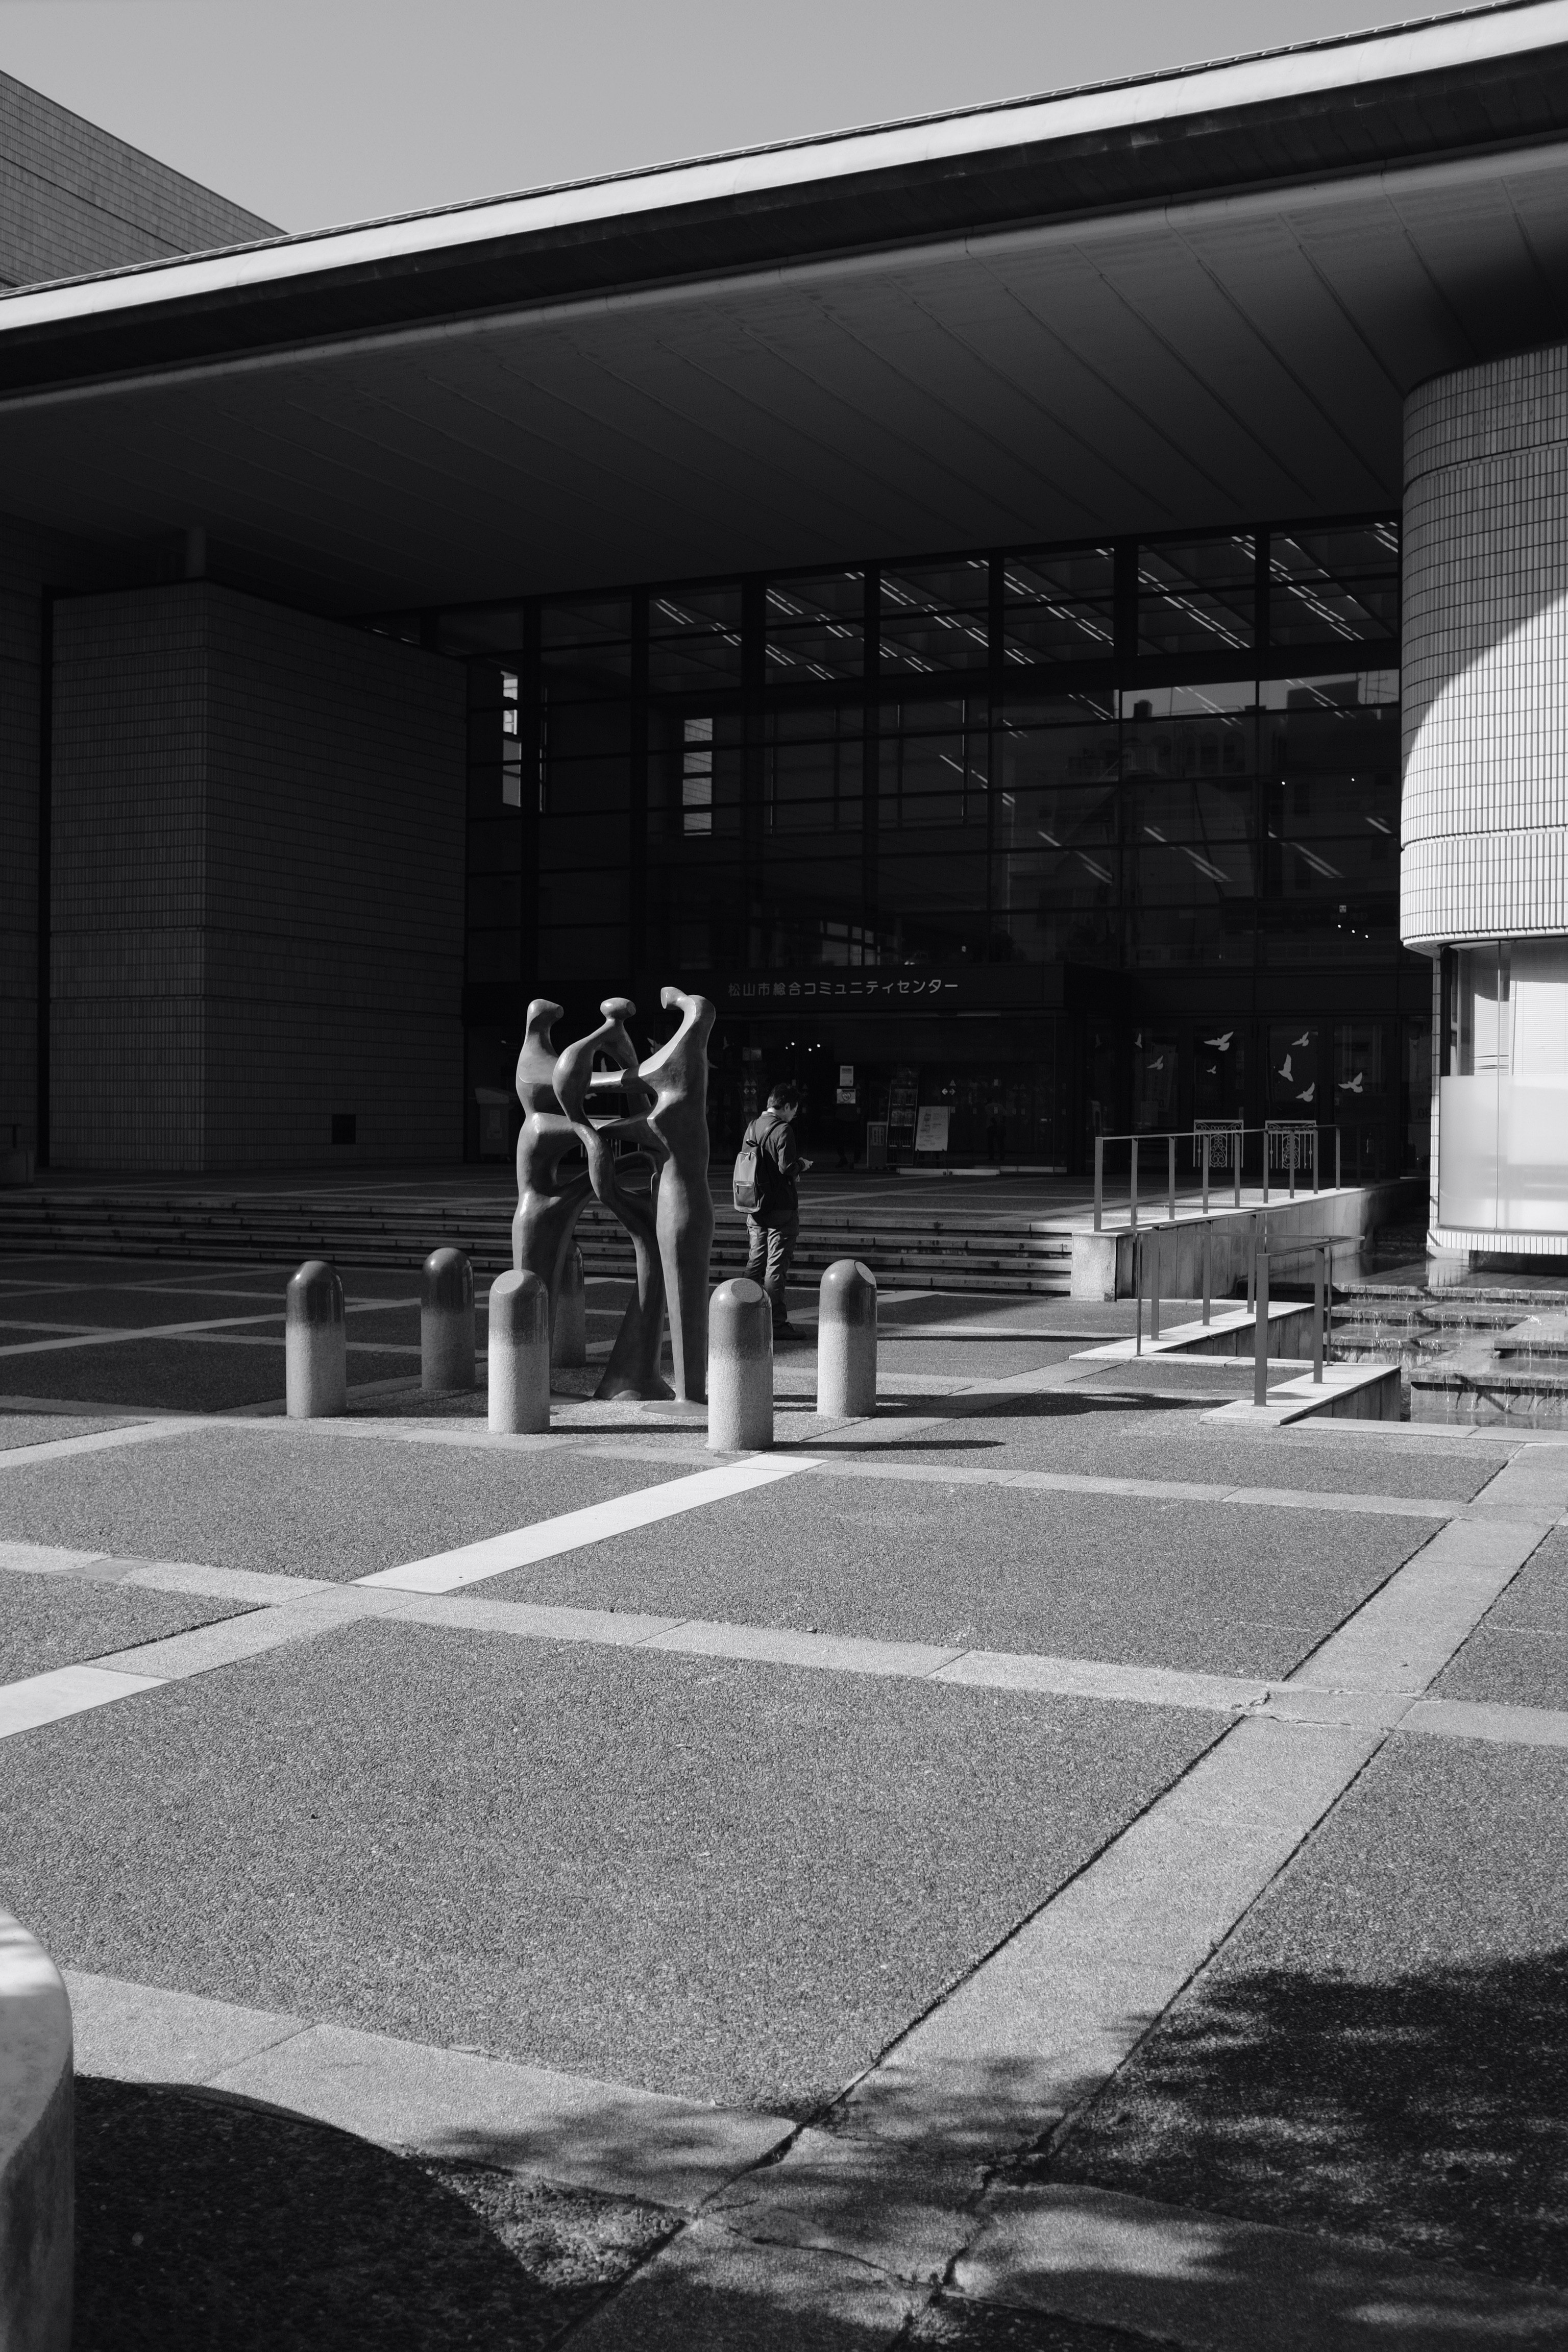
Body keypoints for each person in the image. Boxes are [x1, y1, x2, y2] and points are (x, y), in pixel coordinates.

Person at [741, 1081, 812, 1339]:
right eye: (794, 1110)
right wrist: (802, 1165)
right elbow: (787, 1168)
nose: (794, 1115)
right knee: (775, 1268)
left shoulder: (753, 1126)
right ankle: (777, 1325)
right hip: (781, 1209)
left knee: (756, 1263)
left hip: (755, 1206)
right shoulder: (783, 1130)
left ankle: (741, 1314)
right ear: (786, 1106)